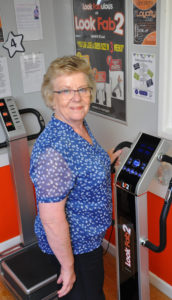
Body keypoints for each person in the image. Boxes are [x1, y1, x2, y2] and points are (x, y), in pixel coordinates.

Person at [30, 55, 122, 299]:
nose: (77, 97)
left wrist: (109, 157)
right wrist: (68, 267)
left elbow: (82, 163)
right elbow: (51, 219)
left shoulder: (78, 125)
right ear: (52, 97)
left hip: (90, 242)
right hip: (74, 248)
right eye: (66, 91)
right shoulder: (53, 150)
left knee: (94, 291)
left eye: (82, 88)